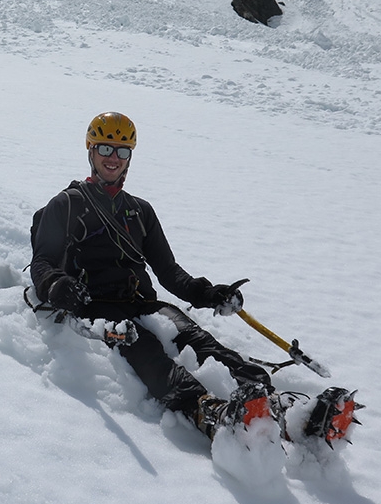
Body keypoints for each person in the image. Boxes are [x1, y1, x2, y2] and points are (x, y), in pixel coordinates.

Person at [30, 112, 359, 442]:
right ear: (90, 150)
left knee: (203, 343)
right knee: (147, 354)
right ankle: (209, 411)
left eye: (122, 151)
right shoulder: (68, 205)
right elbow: (42, 262)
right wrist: (59, 285)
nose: (113, 158)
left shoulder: (140, 211)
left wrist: (207, 294)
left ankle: (275, 405)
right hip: (99, 308)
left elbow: (169, 272)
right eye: (105, 149)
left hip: (143, 303)